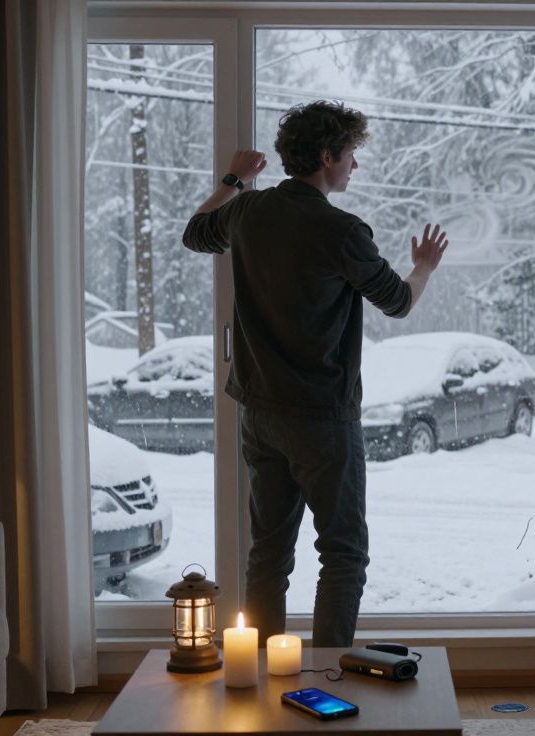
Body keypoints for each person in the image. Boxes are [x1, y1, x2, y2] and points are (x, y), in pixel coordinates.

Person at [181, 100, 449, 646]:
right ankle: (330, 682)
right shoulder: (342, 230)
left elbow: (195, 232)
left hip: (260, 414)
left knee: (269, 555)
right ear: (326, 156)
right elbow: (397, 301)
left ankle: (254, 678)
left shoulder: (246, 211)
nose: (355, 165)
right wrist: (423, 267)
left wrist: (235, 179)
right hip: (322, 421)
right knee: (344, 553)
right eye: (351, 154)